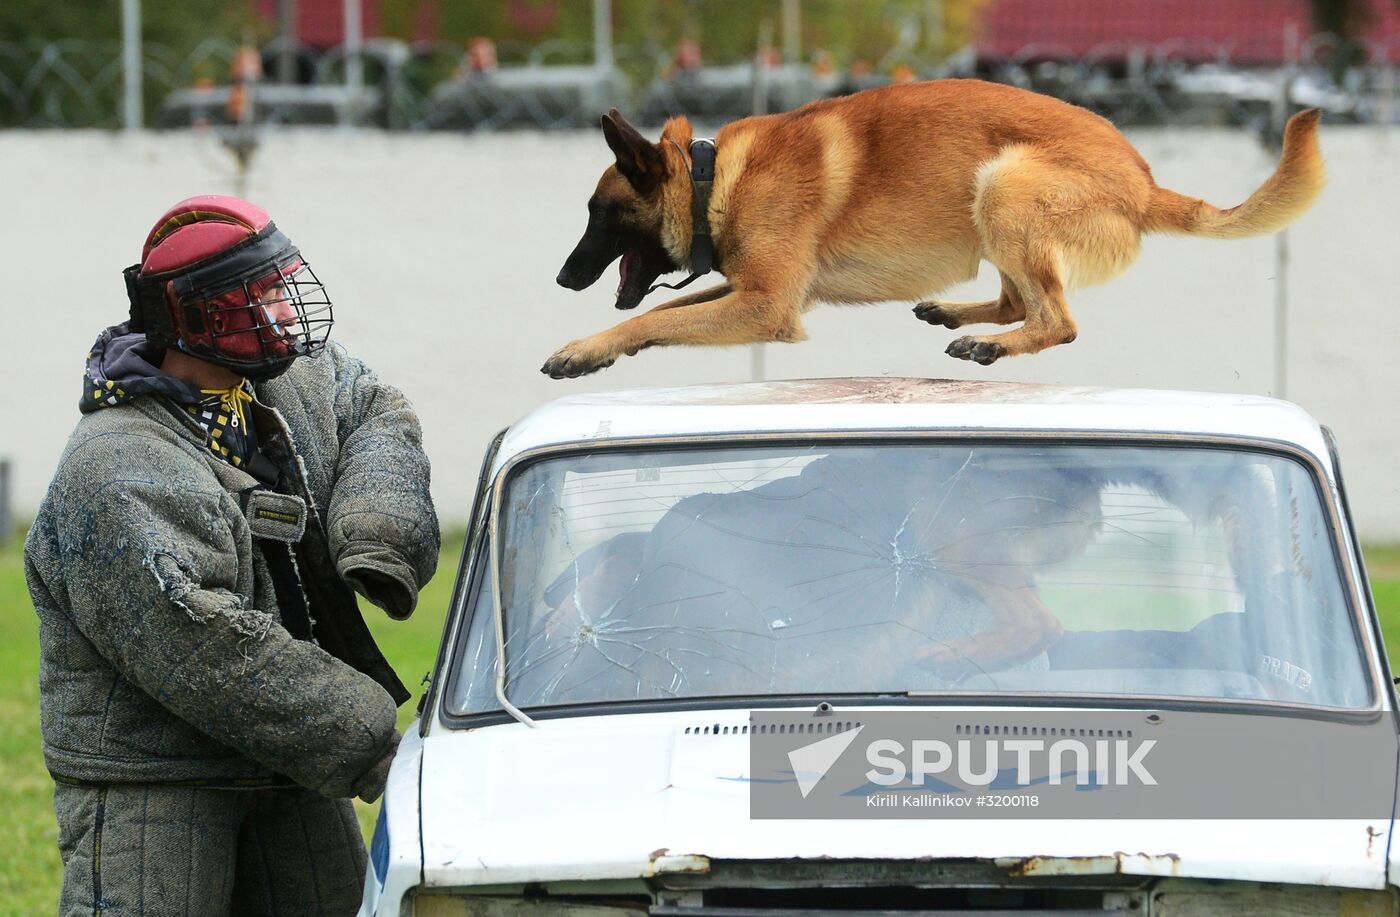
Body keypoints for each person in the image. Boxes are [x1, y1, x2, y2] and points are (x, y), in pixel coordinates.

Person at [24, 195, 440, 916]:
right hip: (155, 783)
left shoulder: (285, 383)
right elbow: (210, 650)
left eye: (282, 287)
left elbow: (375, 407)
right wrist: (373, 738)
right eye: (263, 295)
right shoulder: (115, 463)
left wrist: (377, 534)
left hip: (284, 767)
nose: (284, 311)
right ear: (200, 317)